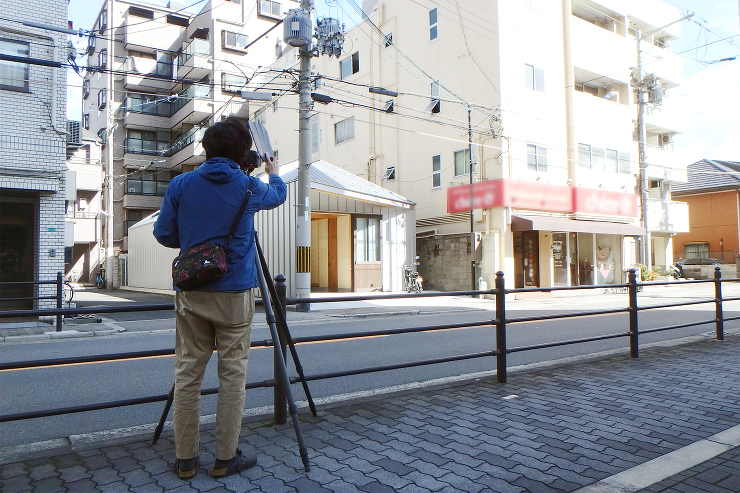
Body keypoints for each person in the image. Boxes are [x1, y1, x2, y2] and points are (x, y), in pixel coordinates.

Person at [153, 117, 287, 479]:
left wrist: (196, 240)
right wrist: (273, 171)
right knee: (232, 376)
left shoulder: (180, 184)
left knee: (187, 375)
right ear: (244, 152)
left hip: (192, 291)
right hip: (234, 295)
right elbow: (278, 194)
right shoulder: (248, 186)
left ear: (206, 148)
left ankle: (185, 460)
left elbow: (164, 234)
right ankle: (226, 458)